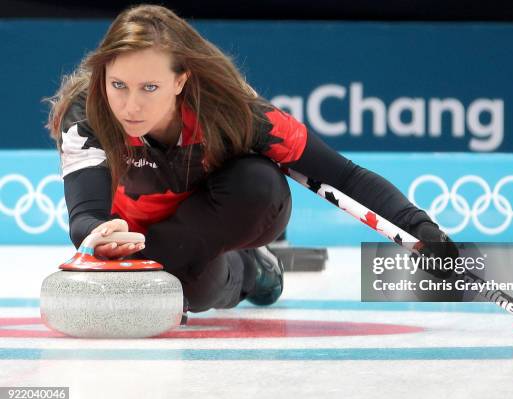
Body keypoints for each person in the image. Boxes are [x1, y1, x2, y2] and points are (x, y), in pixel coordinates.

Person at [45, 4, 456, 318]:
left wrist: (421, 229)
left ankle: (257, 265)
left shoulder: (233, 111)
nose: (130, 106)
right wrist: (99, 236)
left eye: (150, 87)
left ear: (180, 80)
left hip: (221, 213)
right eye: (118, 84)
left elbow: (343, 175)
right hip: (140, 239)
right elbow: (85, 214)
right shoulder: (87, 114)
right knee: (200, 291)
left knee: (257, 183)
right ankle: (241, 273)